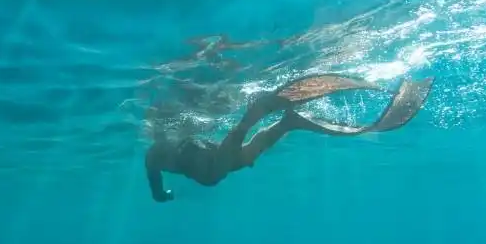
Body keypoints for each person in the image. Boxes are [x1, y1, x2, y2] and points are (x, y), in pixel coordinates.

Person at [144, 74, 434, 202]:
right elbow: (158, 189)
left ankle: (264, 118)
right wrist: (162, 195)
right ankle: (287, 122)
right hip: (208, 159)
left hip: (205, 159)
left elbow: (158, 189)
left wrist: (164, 195)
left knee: (228, 162)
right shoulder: (160, 156)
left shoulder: (157, 156)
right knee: (242, 157)